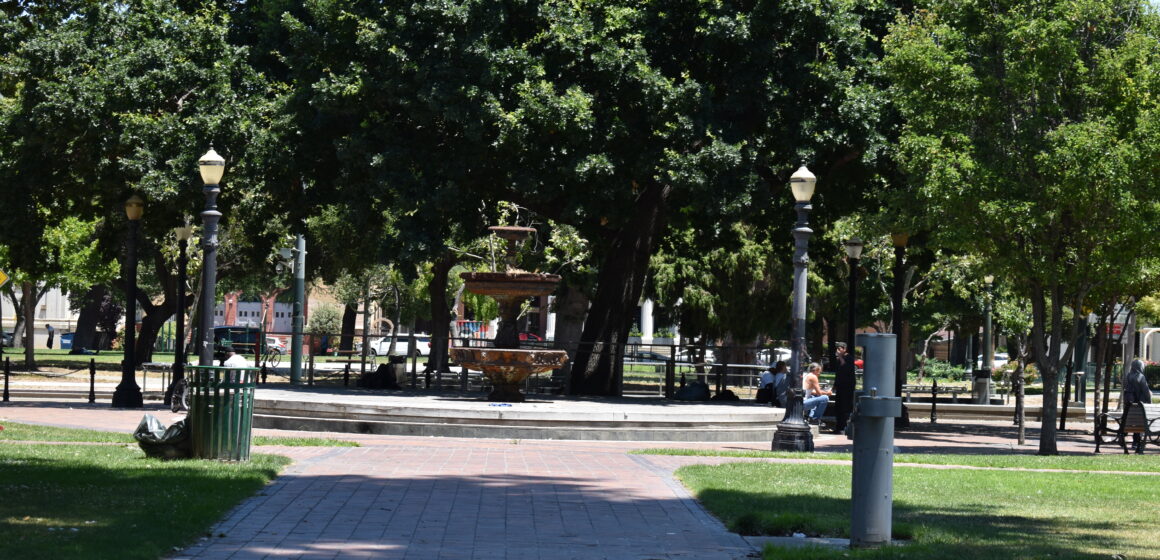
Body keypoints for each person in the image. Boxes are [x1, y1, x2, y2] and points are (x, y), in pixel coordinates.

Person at [1122, 358, 1153, 453]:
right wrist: (1149, 402)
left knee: (1131, 422)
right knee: (1140, 423)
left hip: (1129, 406)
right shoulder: (1140, 377)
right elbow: (1146, 392)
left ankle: (1127, 439)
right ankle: (1136, 442)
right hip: (1139, 406)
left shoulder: (1127, 376)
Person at [833, 343, 857, 433]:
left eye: (839, 349)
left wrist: (840, 357)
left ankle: (844, 427)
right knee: (838, 407)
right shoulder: (839, 359)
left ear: (844, 349)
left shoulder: (849, 358)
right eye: (837, 349)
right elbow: (838, 373)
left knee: (845, 406)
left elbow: (845, 366)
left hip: (847, 387)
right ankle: (838, 426)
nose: (837, 351)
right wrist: (834, 385)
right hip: (840, 386)